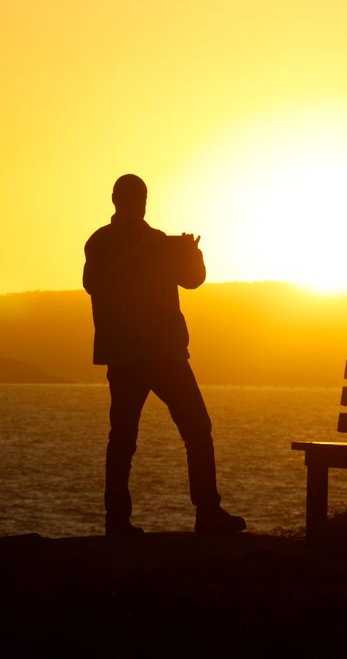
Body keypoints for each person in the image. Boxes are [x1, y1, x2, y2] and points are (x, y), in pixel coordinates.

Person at [83, 174, 245, 537]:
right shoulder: (101, 242)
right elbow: (94, 283)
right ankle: (118, 520)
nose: (137, 204)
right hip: (128, 356)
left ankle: (207, 512)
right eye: (132, 198)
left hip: (164, 352)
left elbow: (192, 280)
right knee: (124, 437)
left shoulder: (157, 241)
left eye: (140, 198)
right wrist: (137, 257)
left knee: (197, 428)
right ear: (116, 200)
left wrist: (193, 254)